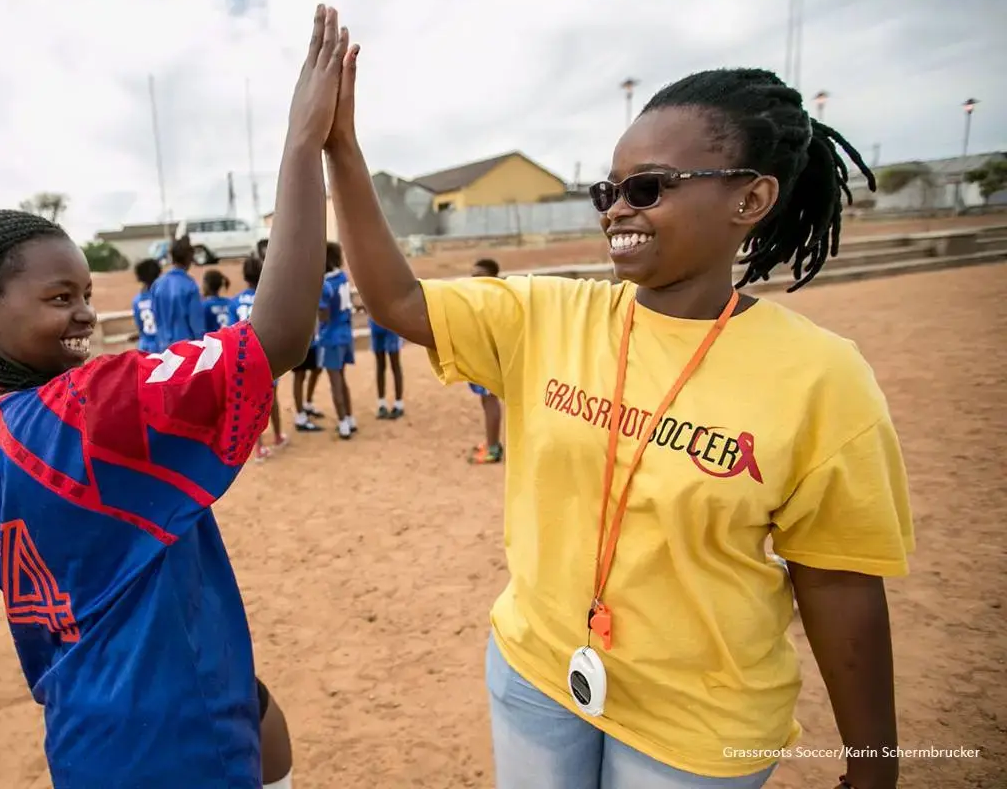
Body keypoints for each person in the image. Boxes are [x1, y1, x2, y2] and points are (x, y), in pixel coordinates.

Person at [327, 50, 913, 789]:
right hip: (537, 673)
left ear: (751, 198)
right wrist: (341, 151)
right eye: (609, 189)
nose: (616, 208)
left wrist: (874, 769)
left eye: (648, 187)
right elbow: (399, 301)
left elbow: (838, 584)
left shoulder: (823, 379)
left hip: (698, 726)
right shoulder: (546, 315)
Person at [0, 5, 347, 787]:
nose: (85, 311)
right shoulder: (74, 414)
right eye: (58, 298)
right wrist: (302, 144)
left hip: (93, 722)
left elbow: (117, 582)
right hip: (174, 739)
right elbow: (279, 338)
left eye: (86, 291)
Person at [231, 255, 287, 456]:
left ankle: (259, 446)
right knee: (272, 398)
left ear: (245, 277)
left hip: (245, 355)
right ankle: (278, 435)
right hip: (266, 354)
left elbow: (230, 329)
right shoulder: (269, 297)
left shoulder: (235, 301)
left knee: (251, 402)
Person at [317, 242, 357, 439]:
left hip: (330, 337)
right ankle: (350, 418)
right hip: (345, 333)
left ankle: (343, 425)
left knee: (335, 383)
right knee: (343, 379)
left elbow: (323, 316)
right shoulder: (342, 277)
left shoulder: (324, 284)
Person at [466, 258, 504, 463]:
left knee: (490, 400)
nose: (474, 281)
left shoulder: (493, 300)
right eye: (472, 276)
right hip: (480, 355)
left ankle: (493, 449)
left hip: (489, 358)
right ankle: (492, 441)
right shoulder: (479, 299)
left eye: (479, 276)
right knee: (485, 399)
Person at [150, 234, 206, 351]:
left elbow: (155, 315)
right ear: (189, 257)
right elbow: (196, 324)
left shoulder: (157, 284)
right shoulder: (190, 285)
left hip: (162, 347)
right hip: (185, 351)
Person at [367, 316, 404, 420]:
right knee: (380, 364)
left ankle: (398, 403)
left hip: (391, 322)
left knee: (394, 364)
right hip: (375, 322)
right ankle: (381, 403)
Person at [131, 258, 162, 353]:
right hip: (162, 346)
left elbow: (141, 326)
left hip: (145, 347)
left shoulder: (137, 300)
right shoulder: (162, 296)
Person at [202, 269, 233, 334]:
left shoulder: (204, 305)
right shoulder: (230, 302)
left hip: (212, 342)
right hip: (228, 340)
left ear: (207, 285)